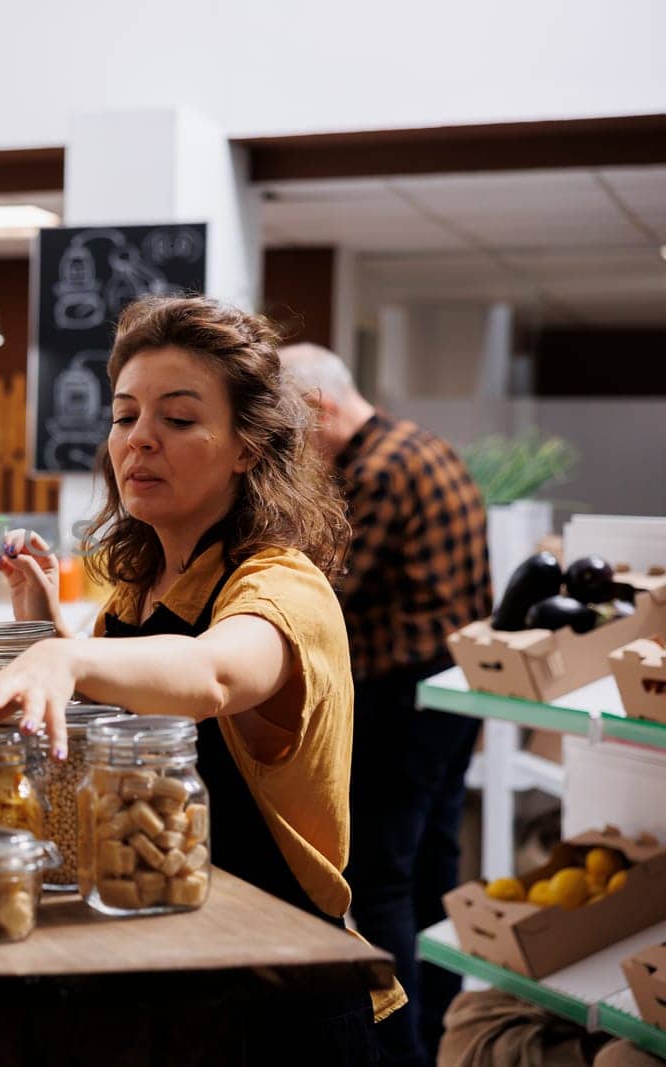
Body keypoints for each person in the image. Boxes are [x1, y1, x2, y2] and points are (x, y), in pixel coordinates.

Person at [0, 295, 400, 1062]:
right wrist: (47, 629)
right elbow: (127, 704)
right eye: (125, 416)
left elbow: (214, 673)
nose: (139, 440)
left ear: (247, 447)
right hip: (172, 968)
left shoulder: (282, 584)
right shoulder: (144, 583)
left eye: (180, 419)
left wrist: (72, 656)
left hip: (280, 1000)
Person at [281, 342, 491, 1067]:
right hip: (453, 690)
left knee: (382, 878)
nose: (290, 444)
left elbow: (322, 593)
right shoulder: (422, 444)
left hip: (403, 697)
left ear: (321, 409)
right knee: (433, 868)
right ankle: (441, 1034)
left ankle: (399, 1051)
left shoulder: (375, 470)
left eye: (289, 425)